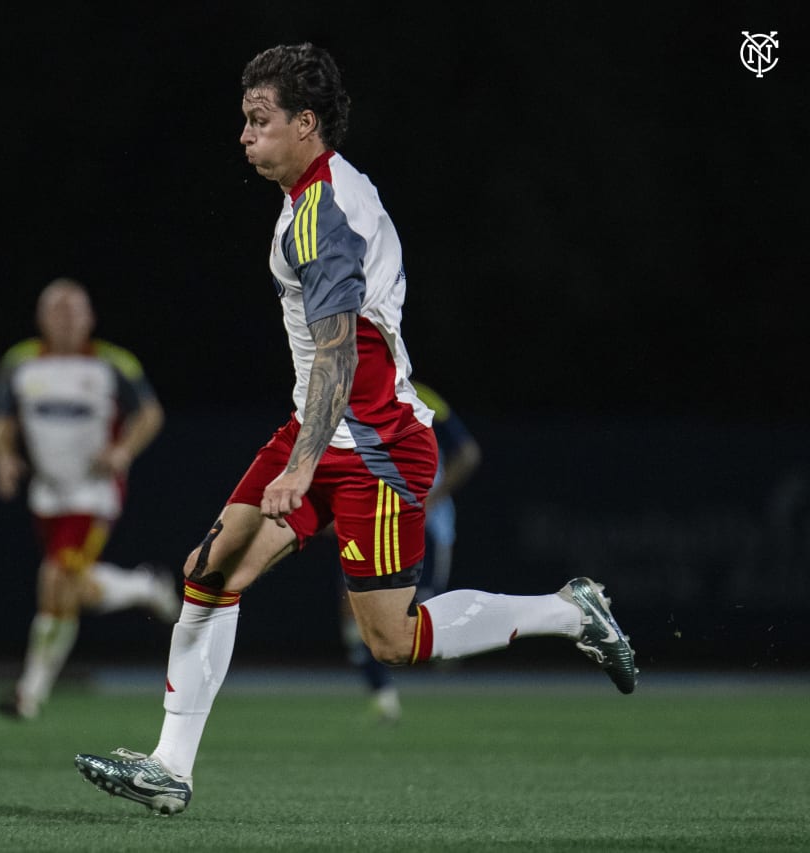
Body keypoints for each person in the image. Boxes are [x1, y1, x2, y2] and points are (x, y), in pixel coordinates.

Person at [74, 43, 637, 815]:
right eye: (244, 120)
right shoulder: (324, 192)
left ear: (306, 124)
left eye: (260, 120)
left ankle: (572, 611)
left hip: (373, 443)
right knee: (208, 569)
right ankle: (171, 766)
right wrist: (307, 446)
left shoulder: (321, 214)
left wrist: (302, 466)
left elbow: (339, 349)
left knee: (390, 640)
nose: (245, 135)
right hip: (322, 427)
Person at [0, 277, 180, 720]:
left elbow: (150, 413)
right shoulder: (21, 362)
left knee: (55, 579)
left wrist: (123, 450)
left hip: (94, 493)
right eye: (57, 309)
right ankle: (145, 586)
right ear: (41, 318)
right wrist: (3, 458)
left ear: (91, 317)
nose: (67, 318)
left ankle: (28, 695)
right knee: (71, 588)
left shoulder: (112, 364)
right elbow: (0, 421)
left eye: (75, 309)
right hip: (47, 494)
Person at [339, 380, 482, 723]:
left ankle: (476, 633)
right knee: (354, 614)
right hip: (369, 521)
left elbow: (468, 453)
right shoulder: (348, 398)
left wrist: (432, 499)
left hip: (421, 526)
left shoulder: (422, 398)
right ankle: (383, 698)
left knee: (418, 614)